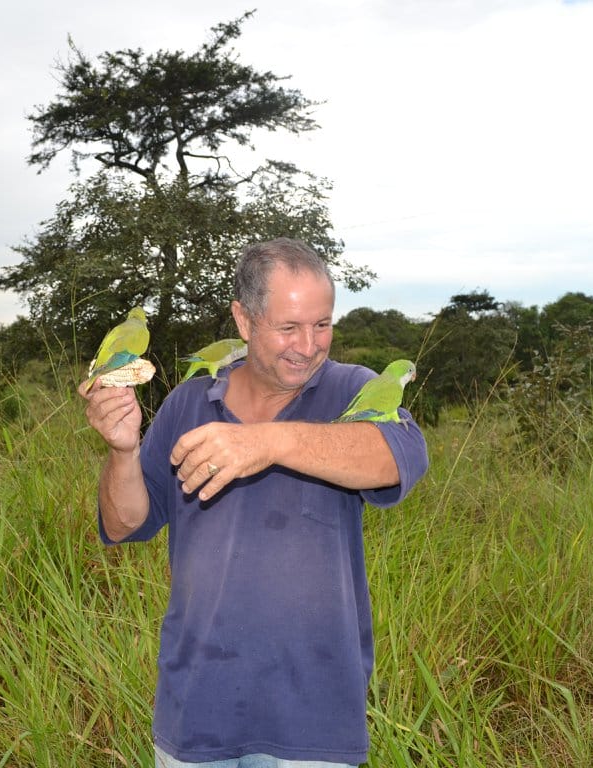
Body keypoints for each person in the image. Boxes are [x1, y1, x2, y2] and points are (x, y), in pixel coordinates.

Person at [80, 238, 429, 767]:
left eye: (322, 325)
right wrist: (123, 451)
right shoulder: (189, 403)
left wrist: (266, 442)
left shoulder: (353, 390)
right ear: (243, 321)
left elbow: (398, 457)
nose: (308, 346)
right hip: (195, 714)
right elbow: (125, 521)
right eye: (288, 327)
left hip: (313, 722)